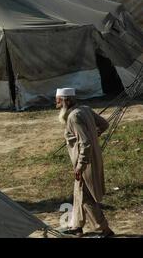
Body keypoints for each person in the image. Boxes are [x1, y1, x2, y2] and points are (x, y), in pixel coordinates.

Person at [56, 88, 115, 238]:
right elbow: (104, 124)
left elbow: (85, 143)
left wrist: (80, 166)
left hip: (86, 162)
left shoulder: (73, 117)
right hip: (94, 158)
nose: (55, 103)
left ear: (65, 101)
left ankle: (103, 229)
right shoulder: (85, 109)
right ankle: (76, 226)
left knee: (86, 197)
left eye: (57, 100)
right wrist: (95, 132)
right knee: (79, 193)